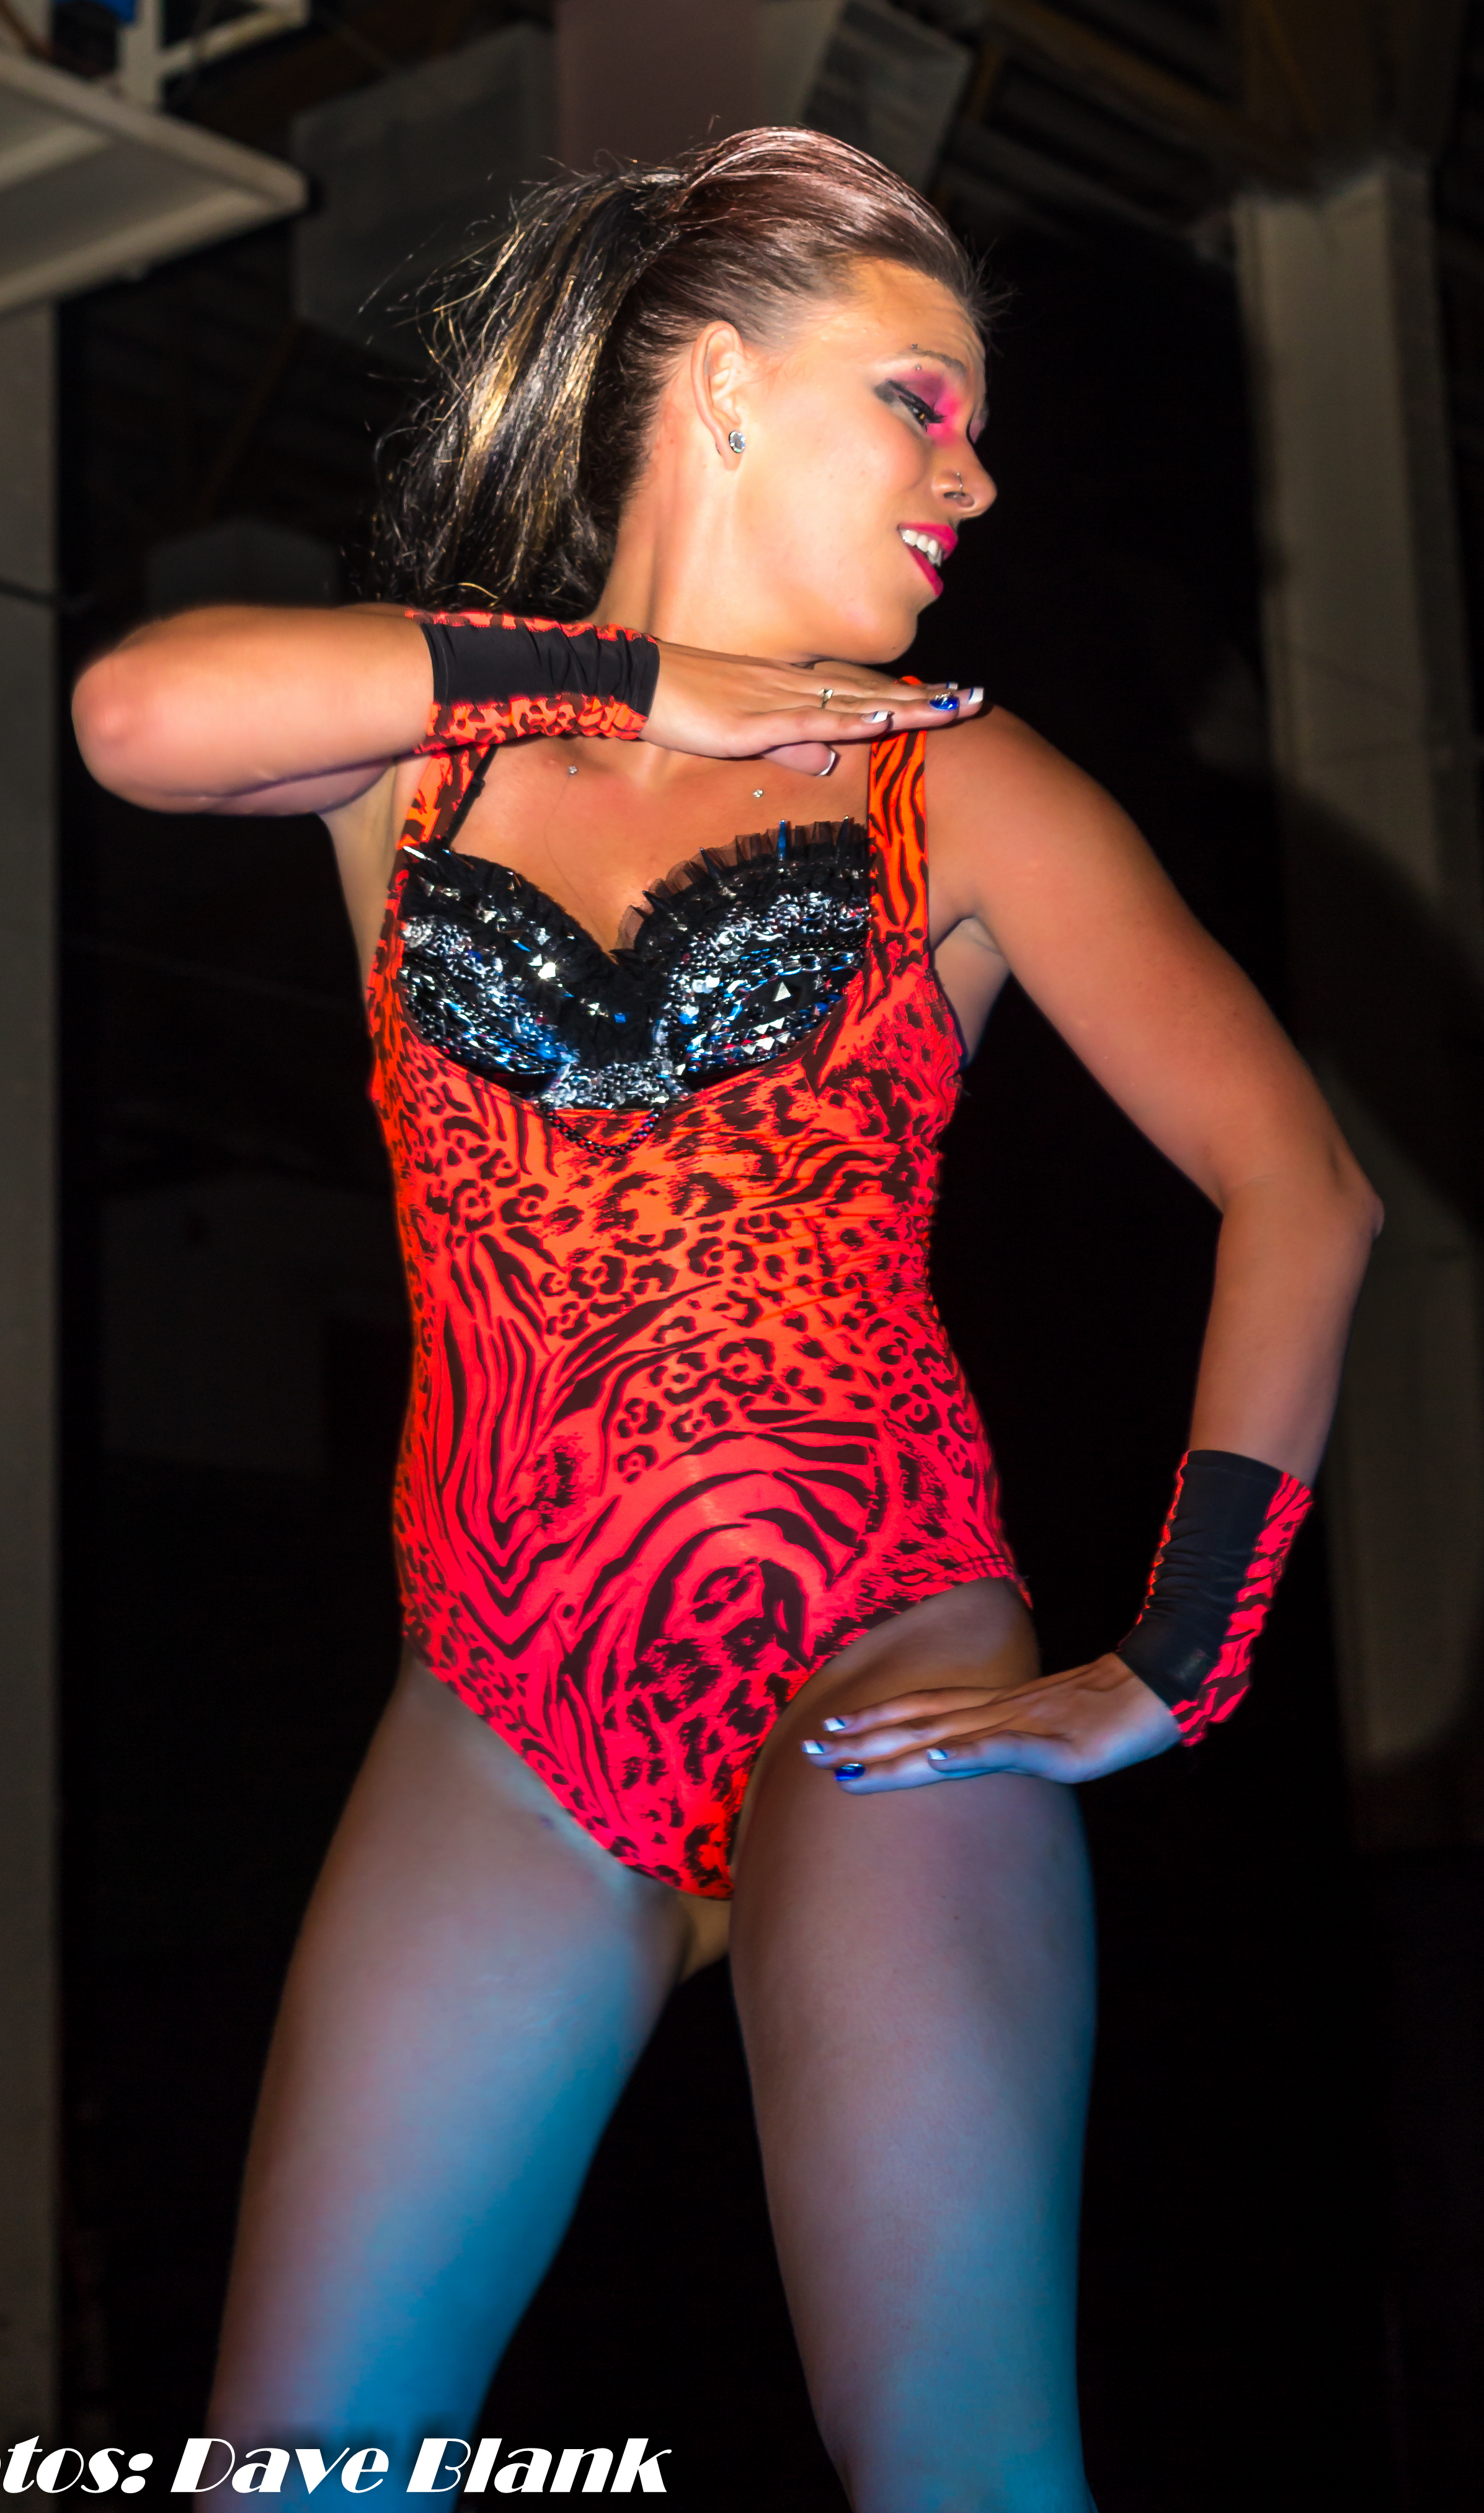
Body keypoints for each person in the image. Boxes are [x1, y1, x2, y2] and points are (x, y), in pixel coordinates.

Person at [73, 128, 1379, 2513]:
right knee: (292, 2476)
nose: (972, 479)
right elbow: (137, 715)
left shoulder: (946, 777)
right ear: (723, 390)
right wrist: (647, 680)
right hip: (498, 1699)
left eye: (975, 428)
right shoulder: (420, 762)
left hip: (874, 1656)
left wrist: (1175, 1663)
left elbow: (1301, 1187)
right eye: (922, 402)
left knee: (962, 2467)